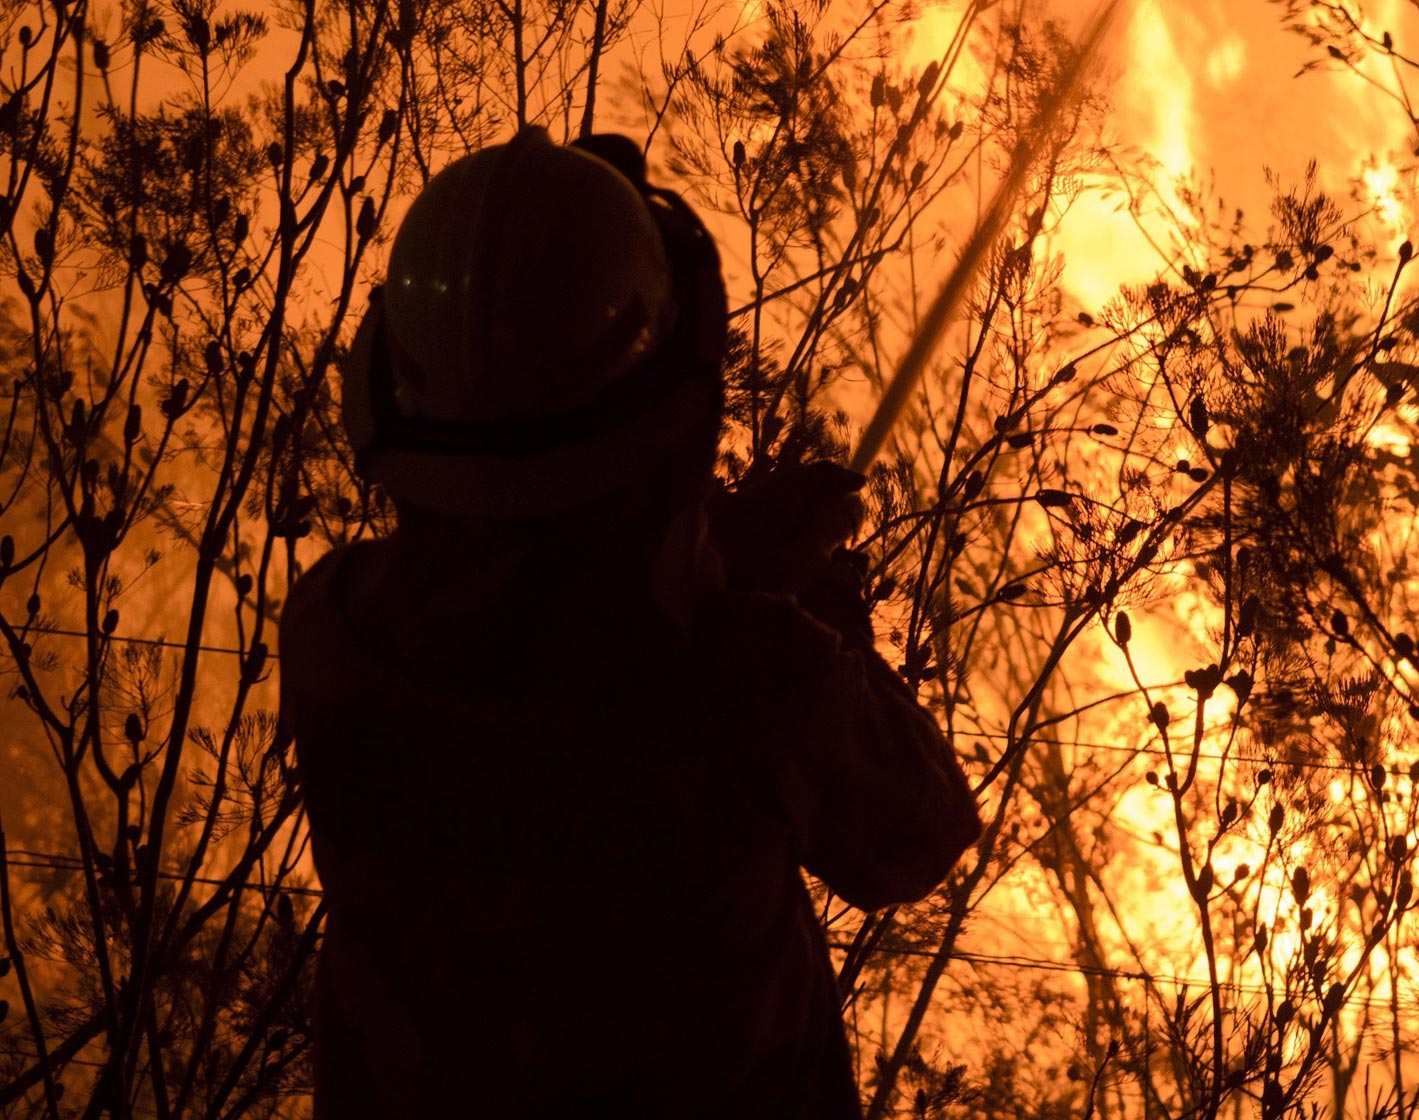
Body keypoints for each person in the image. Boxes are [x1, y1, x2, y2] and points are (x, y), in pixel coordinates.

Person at [280, 126, 981, 1118]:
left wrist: (716, 565)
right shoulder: (752, 680)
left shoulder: (334, 631)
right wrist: (810, 620)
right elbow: (918, 834)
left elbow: (537, 627)